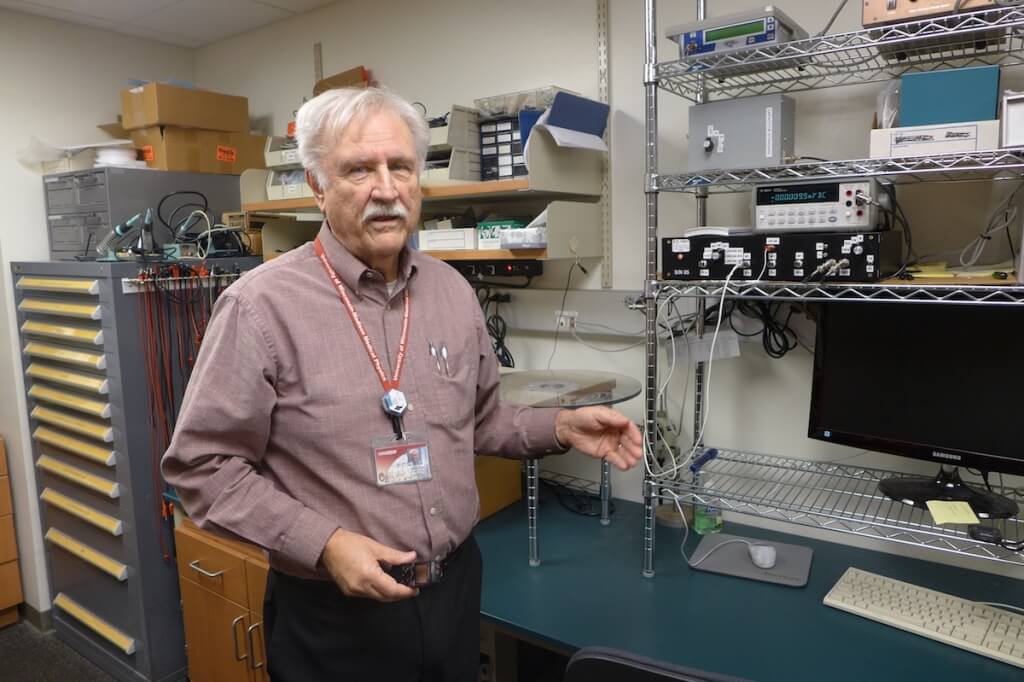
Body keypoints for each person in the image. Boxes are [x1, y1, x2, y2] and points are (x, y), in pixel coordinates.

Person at [161, 87, 643, 682]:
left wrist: (561, 426)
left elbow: (483, 420)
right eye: (359, 169)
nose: (386, 189)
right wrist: (326, 542)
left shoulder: (451, 292)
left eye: (401, 167)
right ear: (317, 184)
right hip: (336, 618)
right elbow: (201, 467)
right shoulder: (259, 308)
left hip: (455, 590)